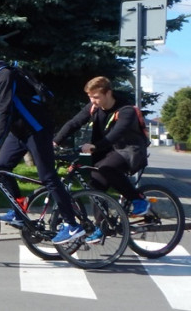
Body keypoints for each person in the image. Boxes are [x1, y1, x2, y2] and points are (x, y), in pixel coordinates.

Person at [0, 48, 84, 244]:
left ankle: (72, 226)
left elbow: (5, 109)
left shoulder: (4, 75)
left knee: (48, 177)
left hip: (36, 129)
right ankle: (19, 210)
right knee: (1, 171)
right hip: (18, 132)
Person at [53, 76, 150, 242]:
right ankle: (102, 226)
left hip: (130, 150)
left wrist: (95, 146)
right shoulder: (93, 107)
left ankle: (138, 199)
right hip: (108, 151)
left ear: (108, 93)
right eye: (90, 97)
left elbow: (115, 135)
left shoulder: (126, 110)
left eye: (96, 97)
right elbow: (73, 123)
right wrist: (55, 141)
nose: (93, 101)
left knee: (106, 168)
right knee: (95, 185)